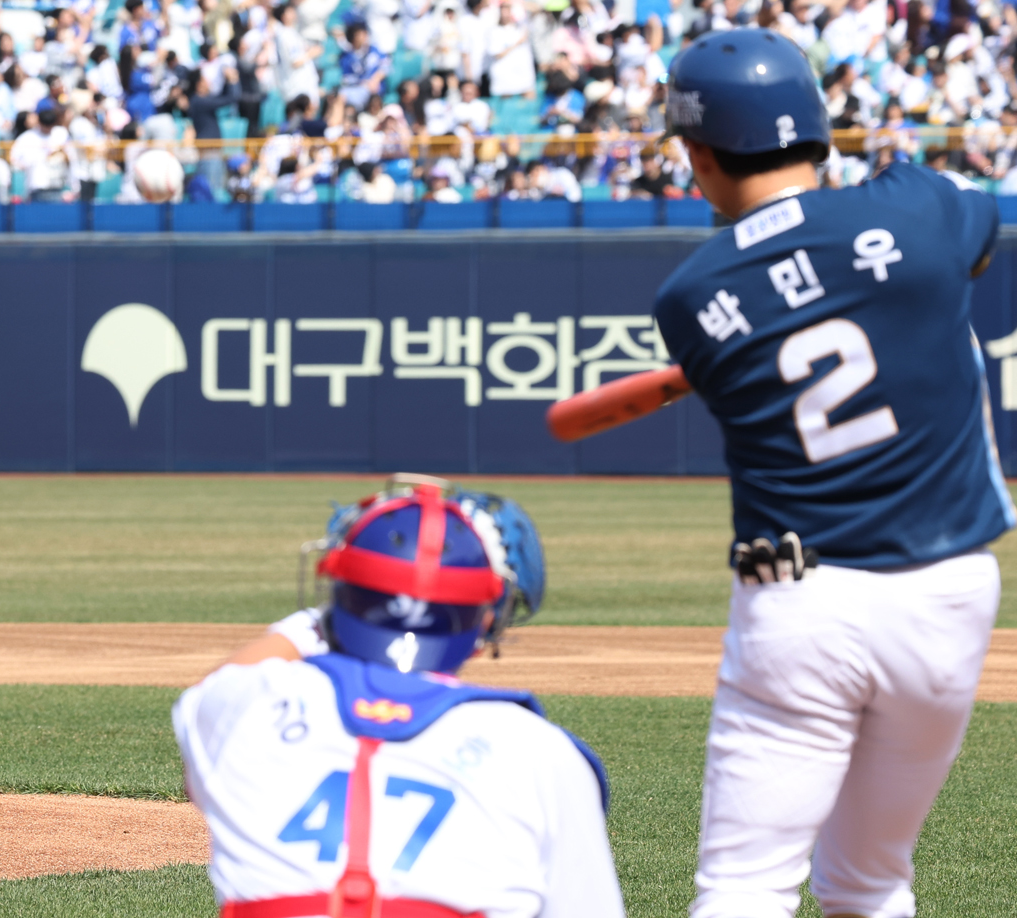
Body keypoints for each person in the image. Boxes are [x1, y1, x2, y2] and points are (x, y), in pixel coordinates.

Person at [648, 30, 1013, 918]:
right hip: (950, 598)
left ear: (697, 154)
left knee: (743, 889)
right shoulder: (919, 206)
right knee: (870, 881)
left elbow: (777, 271)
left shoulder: (690, 299)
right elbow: (973, 242)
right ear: (818, 130)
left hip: (799, 604)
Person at [174, 475, 624, 918]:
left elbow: (218, 687)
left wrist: (335, 610)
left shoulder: (245, 708)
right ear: (488, 619)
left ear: (336, 587)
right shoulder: (539, 753)